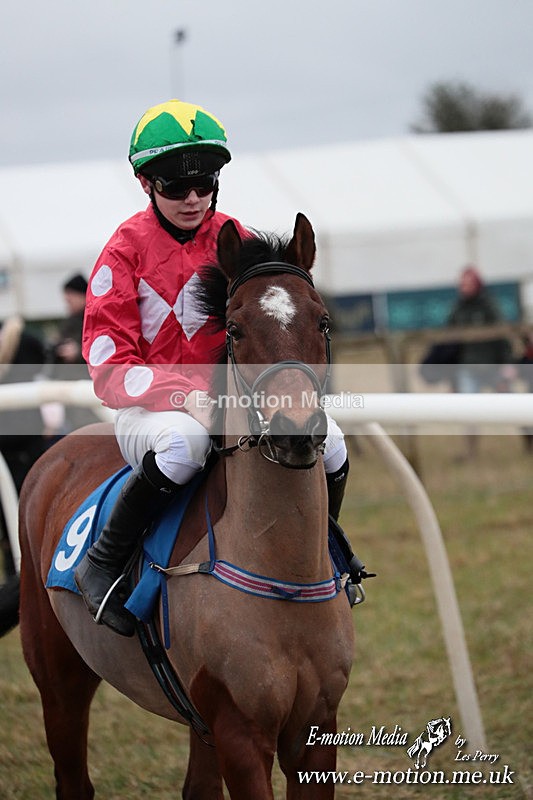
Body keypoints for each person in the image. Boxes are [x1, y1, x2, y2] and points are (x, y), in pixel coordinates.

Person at [74, 99, 353, 636]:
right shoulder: (122, 254)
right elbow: (109, 371)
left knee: (333, 442)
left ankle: (326, 554)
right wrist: (187, 396)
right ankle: (103, 563)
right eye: (177, 188)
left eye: (205, 185)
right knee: (185, 445)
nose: (193, 199)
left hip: (234, 402)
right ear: (145, 183)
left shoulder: (235, 240)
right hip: (150, 412)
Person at [447, 265, 514, 459]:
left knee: (517, 407)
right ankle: (470, 453)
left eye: (468, 282)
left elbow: (503, 337)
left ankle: (528, 443)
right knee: (468, 412)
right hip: (468, 368)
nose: (464, 286)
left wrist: (507, 365)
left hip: (493, 367)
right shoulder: (457, 309)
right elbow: (448, 343)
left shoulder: (489, 306)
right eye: (462, 282)